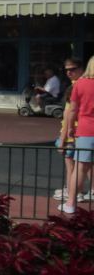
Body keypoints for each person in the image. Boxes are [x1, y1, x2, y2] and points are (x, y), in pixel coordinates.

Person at [60, 56, 94, 214]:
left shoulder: (80, 84)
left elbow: (72, 110)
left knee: (80, 168)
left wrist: (69, 131)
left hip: (86, 130)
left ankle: (71, 203)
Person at [54, 57, 90, 203]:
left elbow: (70, 114)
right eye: (67, 70)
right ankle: (81, 191)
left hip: (74, 133)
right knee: (84, 165)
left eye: (73, 69)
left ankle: (72, 192)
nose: (69, 72)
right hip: (83, 132)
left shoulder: (77, 86)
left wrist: (63, 138)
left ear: (82, 69)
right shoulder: (84, 84)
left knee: (72, 166)